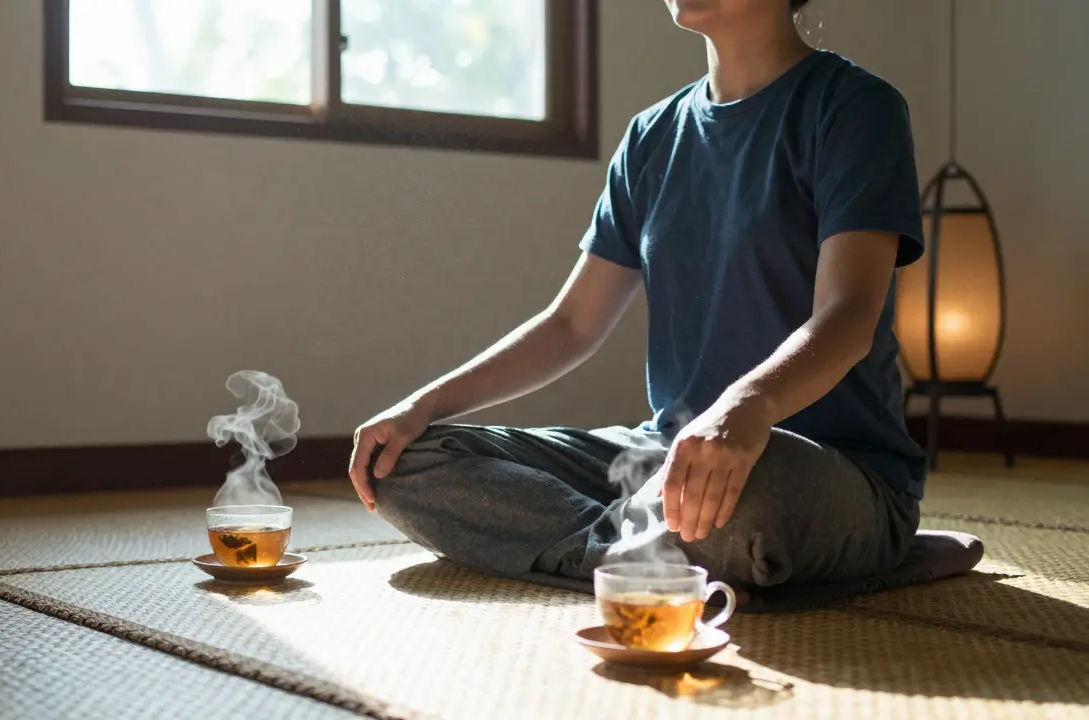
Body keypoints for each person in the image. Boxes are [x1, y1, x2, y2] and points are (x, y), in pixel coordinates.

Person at [348, 0, 926, 593]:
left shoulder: (855, 107)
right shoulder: (652, 135)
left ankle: (620, 543)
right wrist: (423, 404)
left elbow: (848, 314)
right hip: (664, 456)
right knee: (405, 460)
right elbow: (571, 324)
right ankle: (640, 547)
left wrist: (746, 406)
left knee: (750, 500)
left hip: (823, 467)